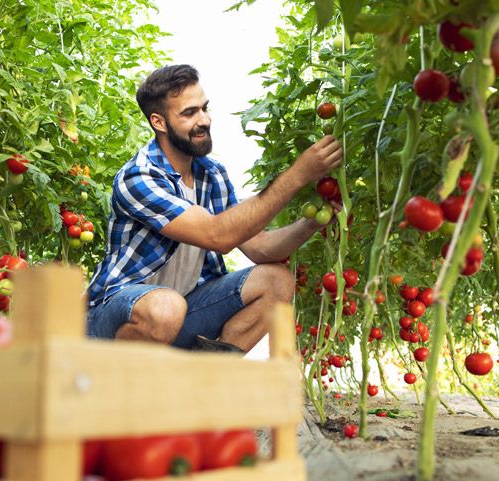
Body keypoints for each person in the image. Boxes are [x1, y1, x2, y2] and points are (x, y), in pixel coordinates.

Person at [86, 64, 343, 353]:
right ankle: (122, 385)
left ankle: (208, 378)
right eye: (189, 113)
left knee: (277, 281)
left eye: (204, 108)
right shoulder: (139, 177)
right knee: (165, 307)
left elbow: (259, 247)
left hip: (181, 311)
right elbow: (217, 236)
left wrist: (311, 224)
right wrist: (297, 175)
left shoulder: (211, 174)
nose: (204, 120)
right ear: (158, 122)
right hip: (114, 318)